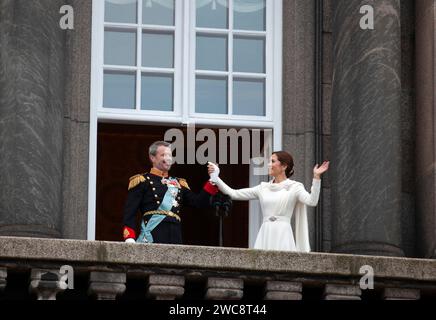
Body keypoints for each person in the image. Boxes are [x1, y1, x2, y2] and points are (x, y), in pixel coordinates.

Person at [207, 152, 329, 252]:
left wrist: (316, 177)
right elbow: (234, 193)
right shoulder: (263, 187)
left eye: (273, 161)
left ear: (284, 166)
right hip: (265, 233)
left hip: (283, 234)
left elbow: (312, 201)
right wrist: (216, 178)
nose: (269, 164)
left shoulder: (295, 187)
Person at [122, 141, 218, 244]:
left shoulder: (179, 183)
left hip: (175, 237)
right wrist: (129, 237)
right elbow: (130, 213)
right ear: (152, 158)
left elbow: (198, 202)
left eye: (170, 155)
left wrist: (213, 178)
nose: (168, 158)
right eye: (163, 155)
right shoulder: (142, 180)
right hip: (152, 236)